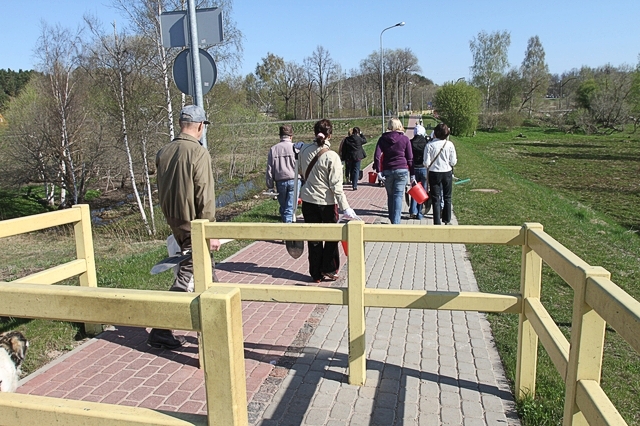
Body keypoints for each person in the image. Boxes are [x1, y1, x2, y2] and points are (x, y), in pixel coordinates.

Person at [150, 104, 221, 350]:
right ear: (200, 126)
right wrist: (211, 231)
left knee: (208, 273)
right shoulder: (198, 153)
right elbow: (205, 195)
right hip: (195, 226)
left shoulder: (164, 152)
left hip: (175, 222)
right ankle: (161, 328)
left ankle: (216, 324)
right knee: (188, 276)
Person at [298, 118, 357, 283]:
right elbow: (336, 187)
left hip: (308, 200)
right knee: (332, 237)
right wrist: (346, 207)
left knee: (314, 238)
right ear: (330, 135)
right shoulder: (332, 156)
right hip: (327, 202)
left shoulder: (304, 150)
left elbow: (300, 171)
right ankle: (329, 268)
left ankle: (315, 273)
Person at [373, 118, 413, 224]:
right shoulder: (405, 139)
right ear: (399, 125)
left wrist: (378, 171)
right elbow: (410, 158)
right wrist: (412, 174)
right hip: (402, 170)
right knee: (398, 196)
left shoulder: (383, 139)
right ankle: (396, 222)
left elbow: (377, 156)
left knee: (390, 195)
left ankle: (392, 220)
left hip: (387, 170)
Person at [424, 123, 457, 225]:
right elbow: (453, 162)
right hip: (447, 172)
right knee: (447, 197)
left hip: (434, 173)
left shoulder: (429, 145)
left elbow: (426, 163)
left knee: (435, 198)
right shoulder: (450, 145)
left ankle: (437, 222)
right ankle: (447, 219)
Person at [266, 124, 298, 223]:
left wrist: (270, 186)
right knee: (290, 207)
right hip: (294, 180)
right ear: (291, 136)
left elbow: (269, 169)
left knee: (284, 207)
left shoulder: (273, 149)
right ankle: (288, 228)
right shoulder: (296, 148)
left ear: (280, 136)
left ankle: (286, 225)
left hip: (280, 182)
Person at [409, 124, 428, 219]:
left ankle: (413, 210)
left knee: (414, 190)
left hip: (414, 169)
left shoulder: (410, 142)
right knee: (422, 192)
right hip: (423, 168)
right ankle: (420, 213)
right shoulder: (426, 142)